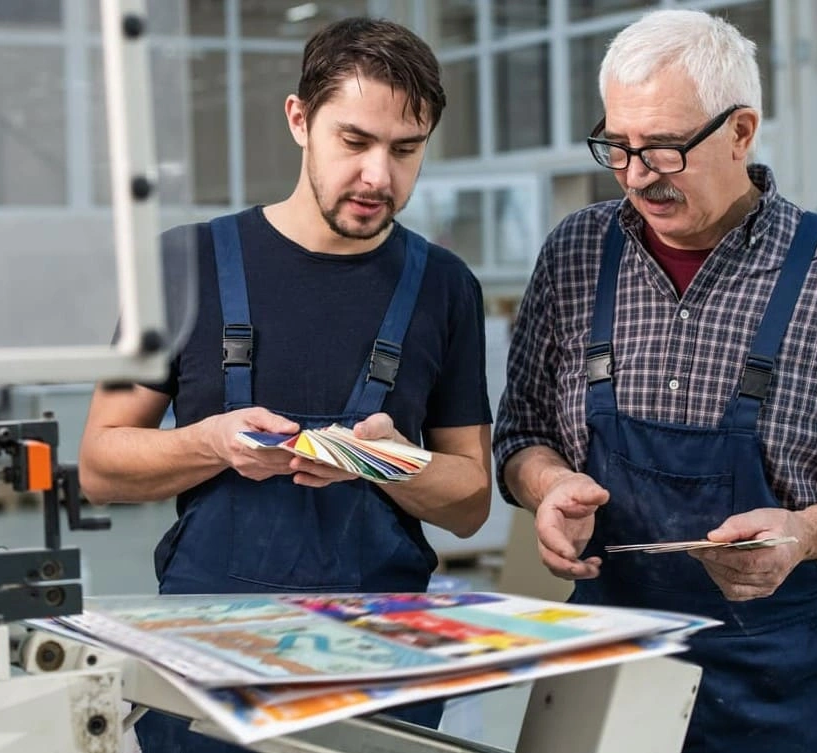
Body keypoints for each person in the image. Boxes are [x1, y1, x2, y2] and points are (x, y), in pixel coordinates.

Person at [493, 9, 817, 753]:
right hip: (606, 662)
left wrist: (806, 532)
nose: (637, 176)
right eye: (618, 146)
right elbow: (522, 433)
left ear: (741, 131)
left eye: (663, 148)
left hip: (781, 682)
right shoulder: (574, 253)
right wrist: (546, 488)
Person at [78, 16, 493, 753]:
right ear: (299, 119)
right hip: (209, 665)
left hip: (379, 668)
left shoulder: (444, 287)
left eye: (406, 150)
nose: (378, 176)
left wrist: (380, 459)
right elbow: (101, 463)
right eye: (355, 142)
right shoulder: (184, 265)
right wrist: (209, 441)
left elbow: (469, 500)